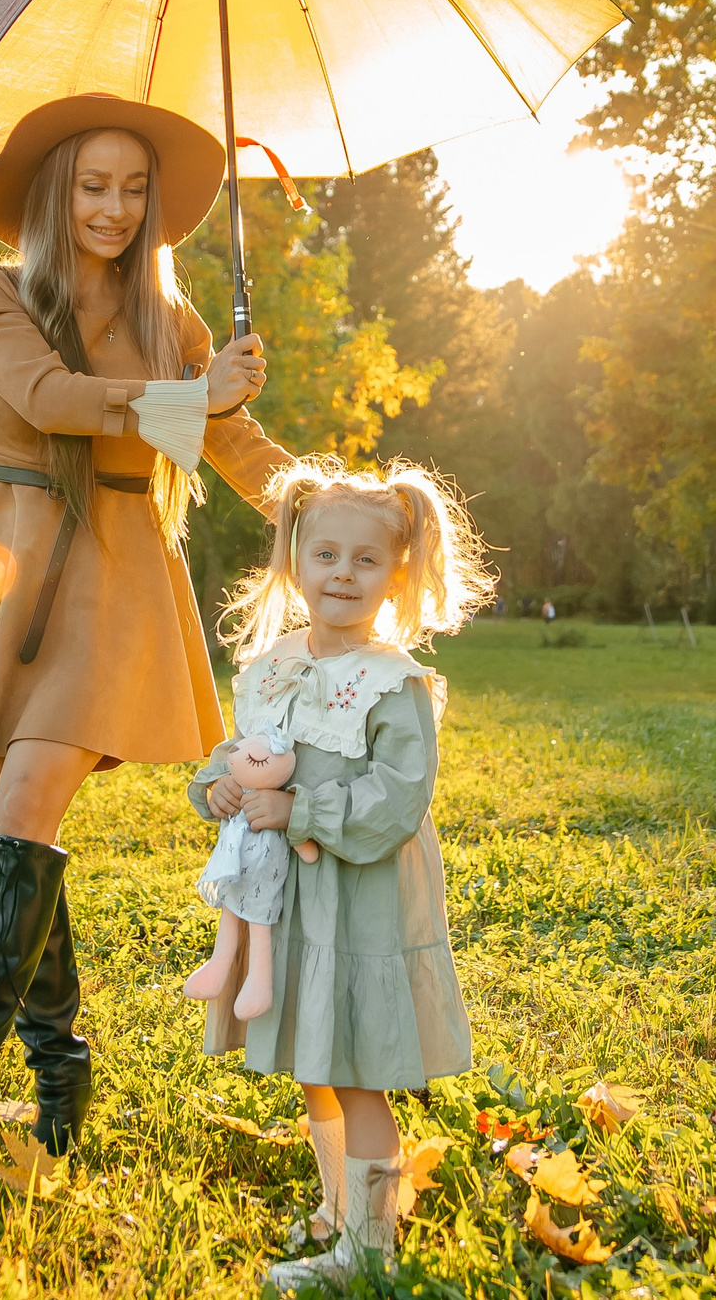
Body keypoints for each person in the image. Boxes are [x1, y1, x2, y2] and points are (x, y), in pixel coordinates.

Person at [0, 94, 294, 1211]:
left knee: (24, 807)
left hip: (113, 578)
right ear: (51, 192)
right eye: (92, 185)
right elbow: (45, 397)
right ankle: (62, 1064)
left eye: (133, 187)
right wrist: (183, 394)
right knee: (17, 833)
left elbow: (232, 444)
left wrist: (329, 503)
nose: (115, 207)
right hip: (9, 563)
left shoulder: (177, 325)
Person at [191, 459, 494, 1287]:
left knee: (355, 1067)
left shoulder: (394, 684)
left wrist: (305, 813)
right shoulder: (277, 664)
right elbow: (248, 755)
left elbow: (398, 800)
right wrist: (218, 785)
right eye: (325, 555)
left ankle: (370, 1252)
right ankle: (344, 1208)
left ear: (397, 572)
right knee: (314, 1058)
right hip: (294, 901)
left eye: (366, 560)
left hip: (359, 903)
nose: (343, 575)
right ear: (295, 558)